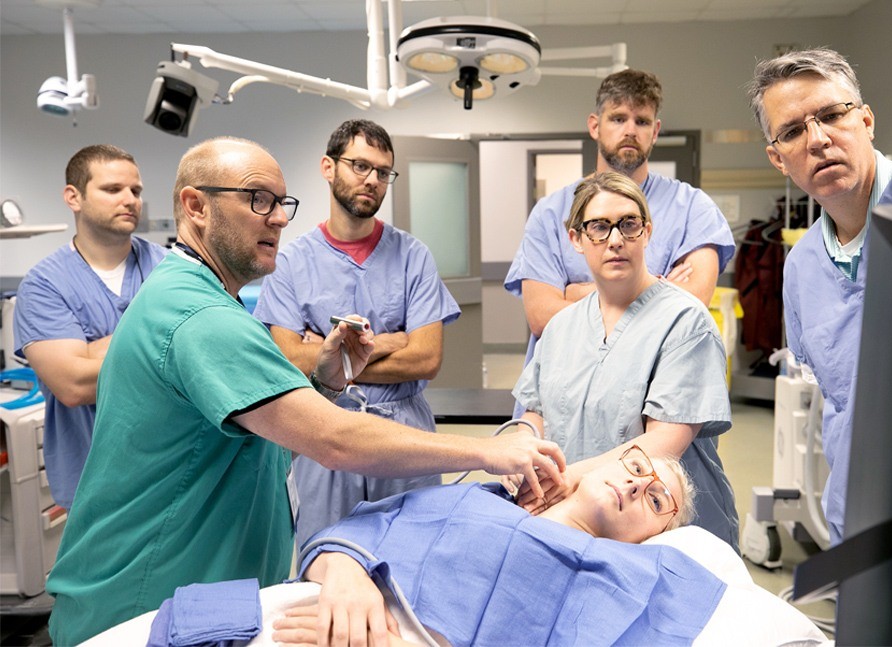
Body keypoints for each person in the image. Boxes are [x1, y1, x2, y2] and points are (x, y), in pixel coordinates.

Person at [44, 136, 566, 647]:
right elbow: (332, 440)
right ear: (194, 205)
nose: (277, 217)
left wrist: (324, 381)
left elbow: (263, 430)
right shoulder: (199, 317)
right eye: (258, 199)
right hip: (144, 599)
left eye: (281, 203)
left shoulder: (204, 300)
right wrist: (491, 449)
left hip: (197, 591)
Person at [746, 47, 892, 545]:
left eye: (832, 115)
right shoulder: (800, 269)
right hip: (864, 518)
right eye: (793, 131)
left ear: (865, 120)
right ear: (778, 158)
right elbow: (840, 399)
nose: (818, 139)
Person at [273, 447, 716, 646]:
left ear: (651, 539)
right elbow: (352, 534)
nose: (638, 484)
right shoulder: (478, 496)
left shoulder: (609, 582)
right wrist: (346, 574)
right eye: (636, 466)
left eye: (658, 500)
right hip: (314, 613)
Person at [511, 171, 738, 551]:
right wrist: (521, 455)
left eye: (629, 224)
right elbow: (535, 413)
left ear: (647, 232)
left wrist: (569, 479)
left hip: (663, 534)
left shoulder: (686, 322)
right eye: (599, 227)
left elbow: (664, 442)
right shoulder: (561, 327)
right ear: (577, 240)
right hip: (581, 522)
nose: (615, 239)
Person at [255, 120, 460, 540]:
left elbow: (426, 358)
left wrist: (330, 358)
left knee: (413, 557)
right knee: (327, 559)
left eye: (383, 172)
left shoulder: (412, 256)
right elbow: (287, 359)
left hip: (402, 433)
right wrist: (389, 342)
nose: (373, 180)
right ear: (328, 167)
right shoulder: (292, 262)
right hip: (324, 427)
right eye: (360, 166)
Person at [504, 69, 736, 409]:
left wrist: (578, 292)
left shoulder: (693, 209)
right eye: (618, 118)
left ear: (655, 131)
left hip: (657, 397)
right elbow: (542, 316)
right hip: (564, 396)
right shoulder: (551, 212)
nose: (630, 130)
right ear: (595, 125)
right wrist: (655, 287)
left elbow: (689, 310)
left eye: (642, 121)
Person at [12, 144, 166, 509]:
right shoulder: (43, 285)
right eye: (113, 190)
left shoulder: (171, 268)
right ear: (73, 197)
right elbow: (74, 384)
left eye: (136, 191)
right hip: (95, 483)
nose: (130, 200)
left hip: (172, 473)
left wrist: (89, 349)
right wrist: (163, 341)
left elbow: (207, 354)